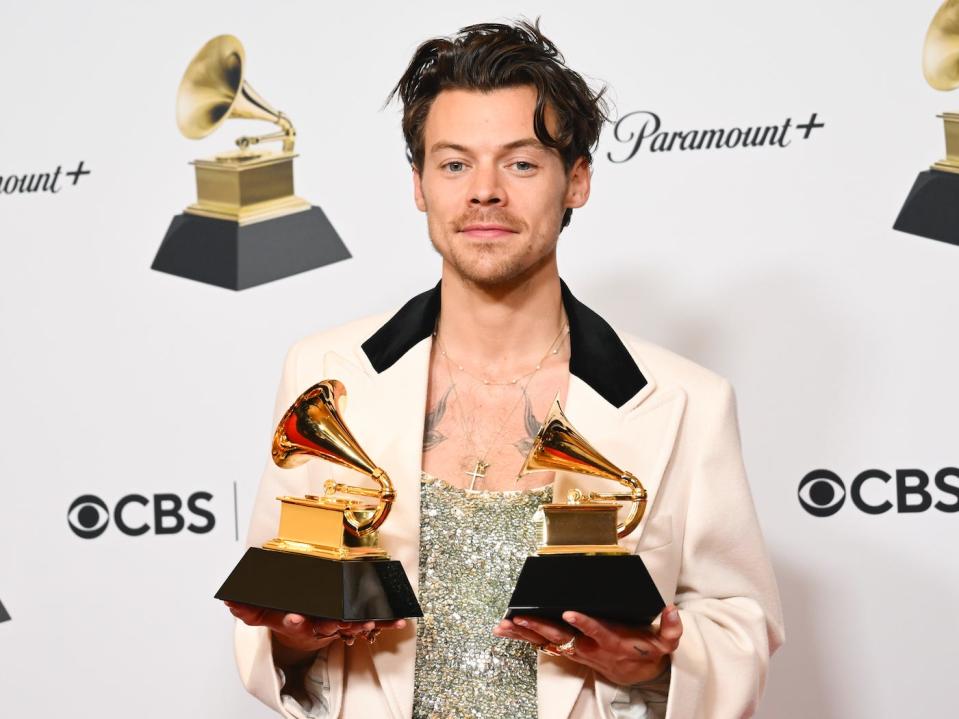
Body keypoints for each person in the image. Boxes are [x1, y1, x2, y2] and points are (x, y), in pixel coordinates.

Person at [226, 19, 784, 719]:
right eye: (454, 163)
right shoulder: (325, 372)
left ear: (575, 180)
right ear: (420, 185)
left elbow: (741, 622)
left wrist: (660, 657)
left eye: (520, 163)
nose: (484, 191)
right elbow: (270, 617)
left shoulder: (684, 400)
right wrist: (296, 638)